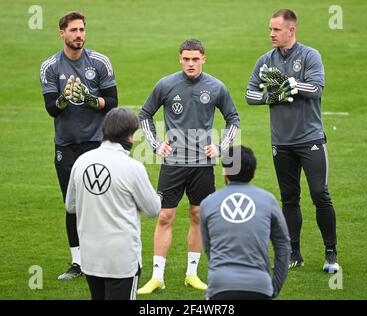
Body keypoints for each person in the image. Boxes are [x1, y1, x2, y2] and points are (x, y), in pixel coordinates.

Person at [137, 39, 240, 294]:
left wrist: (219, 148)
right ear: (180, 59)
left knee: (198, 216)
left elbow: (233, 119)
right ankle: (157, 277)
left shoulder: (216, 87)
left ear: (204, 58)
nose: (191, 63)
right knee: (164, 216)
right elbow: (145, 114)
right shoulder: (166, 84)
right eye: (186, 59)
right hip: (173, 164)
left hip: (202, 165)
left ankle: (191, 274)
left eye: (195, 59)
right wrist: (155, 145)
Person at [245, 9, 339, 273]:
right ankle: (294, 253)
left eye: (276, 29)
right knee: (289, 198)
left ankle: (330, 252)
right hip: (281, 141)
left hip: (310, 139)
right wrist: (270, 98)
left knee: (320, 194)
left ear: (291, 30)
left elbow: (316, 88)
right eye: (270, 29)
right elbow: (250, 94)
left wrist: (288, 84)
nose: (271, 34)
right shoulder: (265, 61)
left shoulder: (310, 55)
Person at [39, 11, 118, 280]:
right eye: (73, 30)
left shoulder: (99, 62)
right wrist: (64, 98)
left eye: (82, 30)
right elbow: (52, 109)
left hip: (97, 144)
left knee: (102, 202)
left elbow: (113, 102)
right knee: (73, 205)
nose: (79, 35)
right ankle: (78, 263)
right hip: (67, 146)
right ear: (62, 33)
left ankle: (105, 259)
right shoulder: (50, 67)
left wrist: (89, 99)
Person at [65, 108, 161, 300]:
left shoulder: (81, 162)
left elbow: (71, 206)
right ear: (131, 136)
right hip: (122, 260)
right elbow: (153, 209)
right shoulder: (133, 167)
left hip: (90, 257)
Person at [200, 145, 290, 300]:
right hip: (260, 286)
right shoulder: (268, 200)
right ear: (253, 173)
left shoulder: (208, 203)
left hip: (220, 286)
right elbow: (283, 244)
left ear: (225, 173)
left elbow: (209, 248)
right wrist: (273, 286)